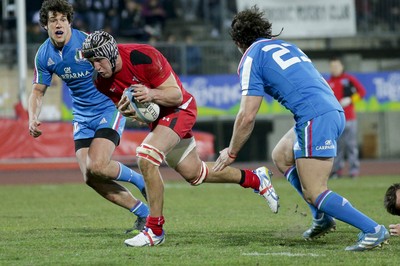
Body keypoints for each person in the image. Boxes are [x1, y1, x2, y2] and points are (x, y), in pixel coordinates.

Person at [80, 30, 279, 247]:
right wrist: (132, 112)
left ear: (110, 54)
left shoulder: (142, 55)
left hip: (179, 108)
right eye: (92, 62)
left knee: (146, 158)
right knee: (195, 173)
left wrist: (151, 94)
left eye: (98, 60)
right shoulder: (100, 81)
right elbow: (132, 108)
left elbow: (175, 95)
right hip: (160, 119)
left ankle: (154, 229)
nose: (96, 66)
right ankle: (256, 179)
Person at [214, 5, 389, 251]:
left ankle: (372, 229)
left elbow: (247, 115)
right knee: (282, 156)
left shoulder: (251, 57)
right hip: (332, 110)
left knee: (314, 191)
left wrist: (231, 152)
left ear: (238, 42)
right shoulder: (286, 46)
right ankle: (322, 218)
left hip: (314, 117)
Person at [27, 0, 149, 234]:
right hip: (82, 116)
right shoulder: (44, 55)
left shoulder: (88, 42)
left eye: (63, 19)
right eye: (53, 20)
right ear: (45, 25)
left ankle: (139, 179)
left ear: (70, 21)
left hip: (107, 107)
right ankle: (142, 213)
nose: (58, 24)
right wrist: (32, 118)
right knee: (90, 176)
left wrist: (133, 97)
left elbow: (118, 63)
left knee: (98, 164)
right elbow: (37, 91)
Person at [327, 57, 366, 178]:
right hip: (336, 120)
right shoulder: (328, 82)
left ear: (342, 67)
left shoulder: (349, 79)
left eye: (337, 66)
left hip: (349, 118)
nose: (335, 69)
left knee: (351, 145)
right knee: (337, 147)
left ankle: (353, 171)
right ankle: (337, 171)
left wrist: (350, 99)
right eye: (332, 67)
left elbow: (362, 92)